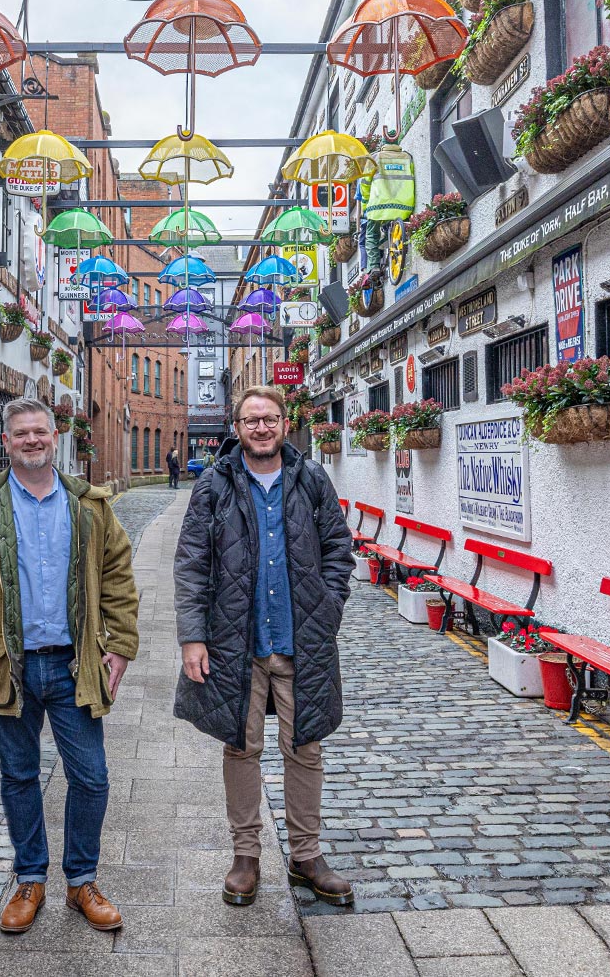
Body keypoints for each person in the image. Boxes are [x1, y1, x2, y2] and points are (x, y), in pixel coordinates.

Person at [0, 397, 140, 935]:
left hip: (73, 664)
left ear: (54, 437)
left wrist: (120, 645)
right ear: (6, 441)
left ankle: (81, 880)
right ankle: (29, 879)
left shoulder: (88, 504)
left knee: (91, 777)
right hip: (7, 666)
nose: (32, 441)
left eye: (40, 432)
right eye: (21, 433)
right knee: (19, 775)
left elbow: (117, 572)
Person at [173, 384, 355, 908]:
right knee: (241, 745)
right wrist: (193, 636)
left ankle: (305, 854)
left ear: (283, 423)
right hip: (237, 643)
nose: (261, 427)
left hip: (301, 641)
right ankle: (246, 855)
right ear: (237, 428)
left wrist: (329, 607)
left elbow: (338, 550)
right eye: (251, 420)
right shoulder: (214, 485)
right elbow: (191, 565)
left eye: (270, 418)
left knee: (305, 748)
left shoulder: (310, 479)